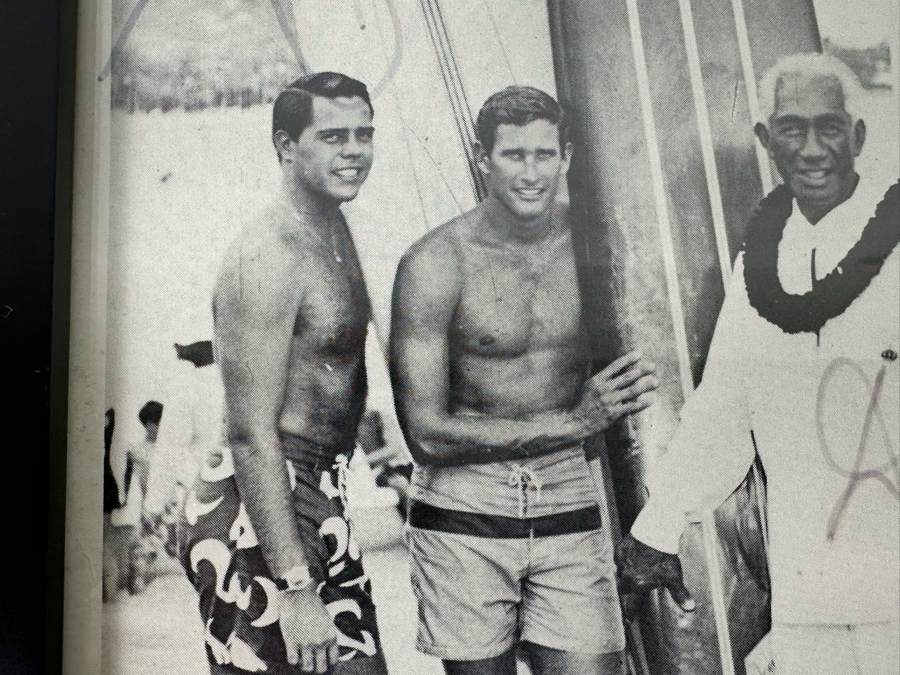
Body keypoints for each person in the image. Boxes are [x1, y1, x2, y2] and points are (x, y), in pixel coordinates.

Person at [617, 53, 899, 675]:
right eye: (793, 129)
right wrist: (658, 527)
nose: (813, 148)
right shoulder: (759, 268)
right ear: (766, 141)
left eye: (829, 127)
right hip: (811, 588)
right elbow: (726, 406)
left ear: (858, 136)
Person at [390, 86, 659, 675]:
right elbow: (426, 436)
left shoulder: (598, 250)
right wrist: (572, 422)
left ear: (565, 156)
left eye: (544, 155)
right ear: (482, 158)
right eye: (513, 155)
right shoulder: (435, 263)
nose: (532, 173)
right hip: (465, 508)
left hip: (566, 495)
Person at [181, 72, 388, 675]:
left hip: (317, 494)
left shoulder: (333, 227)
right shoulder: (266, 256)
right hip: (261, 505)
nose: (353, 151)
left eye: (364, 134)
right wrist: (294, 586)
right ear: (285, 146)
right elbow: (250, 432)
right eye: (332, 136)